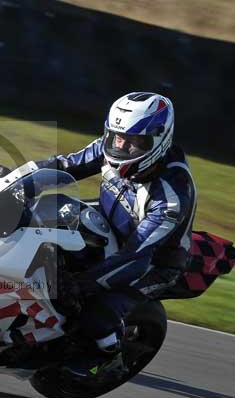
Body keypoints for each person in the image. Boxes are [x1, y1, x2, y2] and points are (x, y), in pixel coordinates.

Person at [32, 92, 196, 377]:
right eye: (117, 137)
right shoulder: (110, 147)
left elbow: (134, 256)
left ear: (159, 140)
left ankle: (107, 353)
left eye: (134, 142)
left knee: (95, 312)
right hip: (111, 223)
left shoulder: (170, 196)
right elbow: (65, 165)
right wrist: (13, 178)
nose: (122, 146)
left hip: (153, 261)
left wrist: (81, 285)